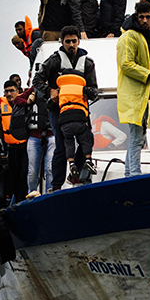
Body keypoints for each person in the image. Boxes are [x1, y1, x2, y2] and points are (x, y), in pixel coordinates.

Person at [32, 26, 98, 191]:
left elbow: (94, 89)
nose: (71, 45)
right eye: (67, 41)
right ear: (62, 42)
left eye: (74, 41)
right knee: (61, 145)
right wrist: (50, 91)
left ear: (79, 41)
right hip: (58, 110)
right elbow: (37, 79)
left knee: (87, 140)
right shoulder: (54, 61)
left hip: (80, 109)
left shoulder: (87, 63)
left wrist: (87, 91)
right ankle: (56, 185)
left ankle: (78, 176)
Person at [117, 2, 150, 177]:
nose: (145, 20)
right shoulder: (129, 36)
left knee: (138, 136)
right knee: (137, 137)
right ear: (136, 17)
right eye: (141, 17)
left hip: (145, 94)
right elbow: (126, 64)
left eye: (148, 17)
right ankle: (134, 174)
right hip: (133, 93)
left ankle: (130, 173)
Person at [11, 84, 55, 198]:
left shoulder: (56, 88)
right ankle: (32, 193)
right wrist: (28, 101)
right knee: (32, 172)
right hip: (34, 136)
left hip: (51, 135)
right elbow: (17, 100)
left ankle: (50, 194)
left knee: (50, 168)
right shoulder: (35, 89)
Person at [0, 80, 29, 205]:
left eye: (12, 91)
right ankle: (17, 203)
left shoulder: (25, 104)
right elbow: (1, 129)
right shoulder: (0, 109)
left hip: (25, 147)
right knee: (14, 178)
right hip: (11, 148)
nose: (9, 94)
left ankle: (23, 201)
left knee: (24, 175)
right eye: (6, 91)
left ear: (17, 91)